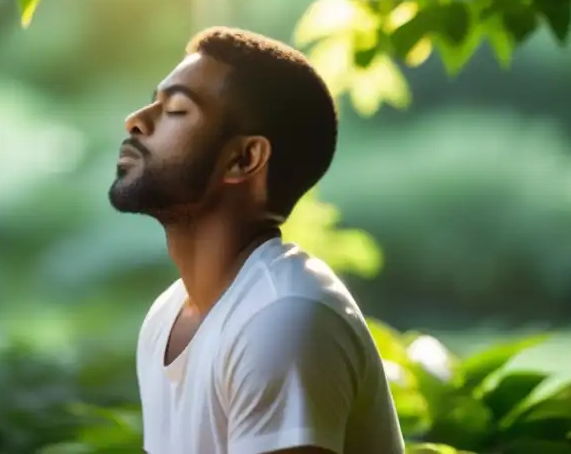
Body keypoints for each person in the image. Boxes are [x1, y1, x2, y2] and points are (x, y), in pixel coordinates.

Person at [108, 27, 404, 454]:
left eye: (175, 109)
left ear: (244, 159)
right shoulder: (167, 316)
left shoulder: (282, 317)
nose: (136, 119)